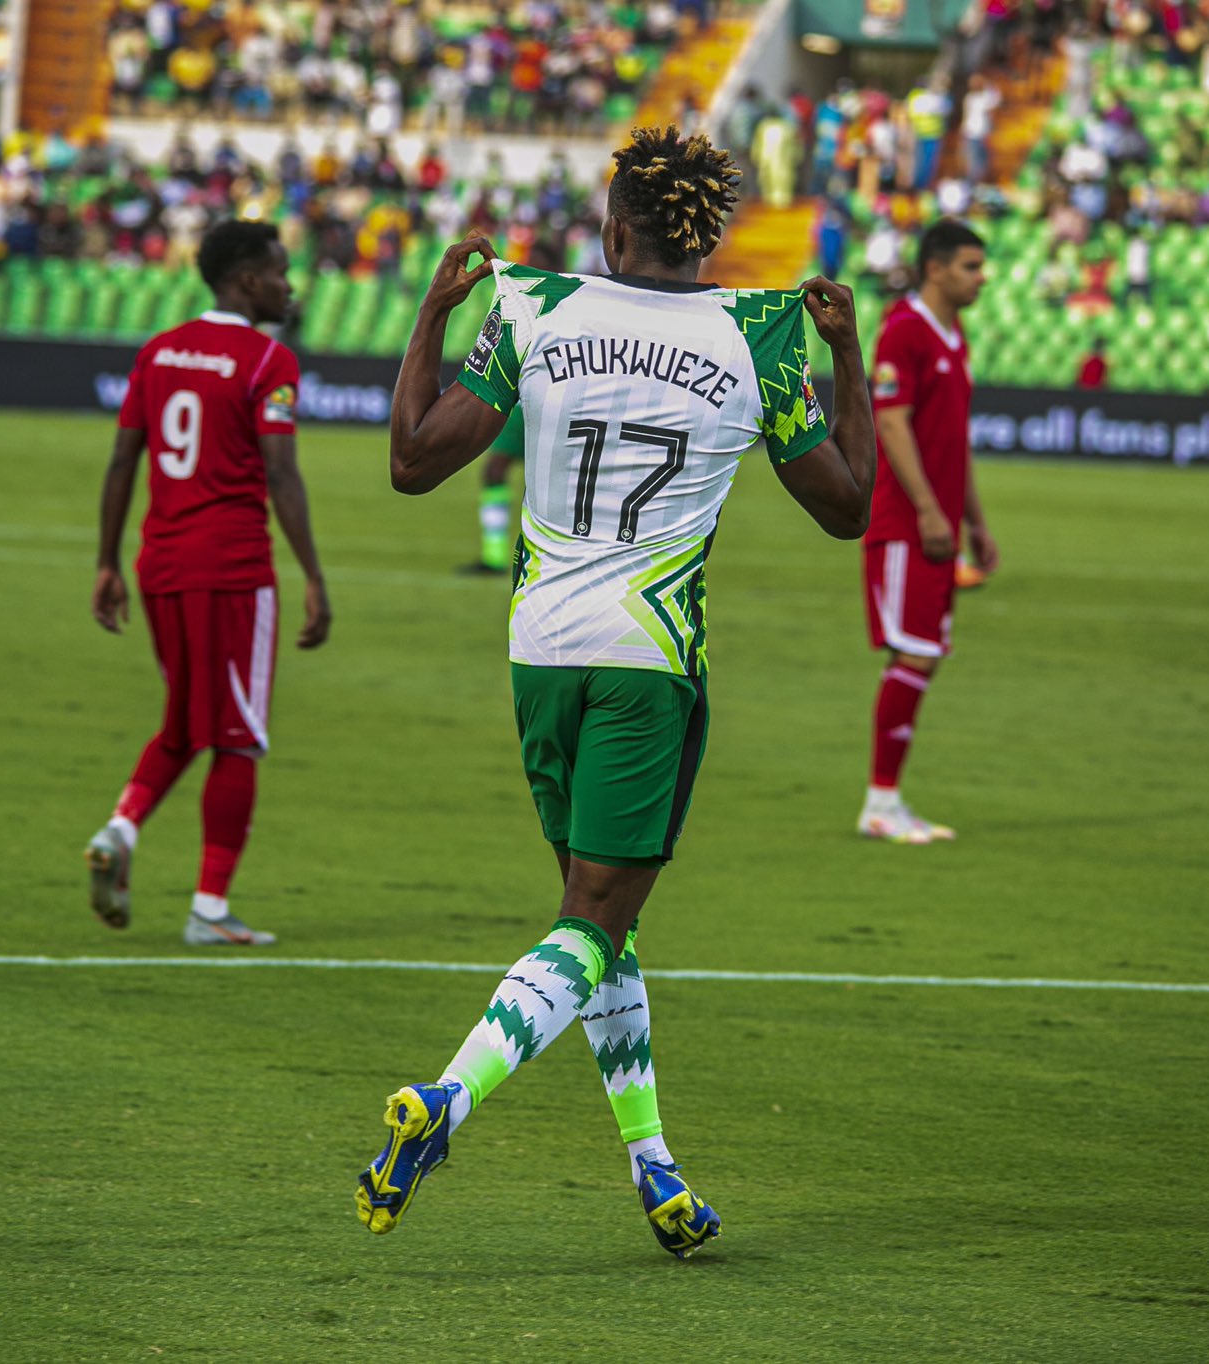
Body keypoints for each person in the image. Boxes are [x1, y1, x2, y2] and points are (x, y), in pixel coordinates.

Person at [359, 126, 876, 1255]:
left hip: (540, 651)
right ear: (709, 239)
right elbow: (847, 508)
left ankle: (654, 1168)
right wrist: (849, 359)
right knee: (593, 917)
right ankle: (444, 1098)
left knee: (595, 918)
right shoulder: (756, 337)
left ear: (610, 228)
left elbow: (409, 459)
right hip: (646, 660)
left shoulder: (532, 311)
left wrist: (429, 317)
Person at [83, 219, 332, 945]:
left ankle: (121, 827)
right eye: (282, 273)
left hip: (158, 564)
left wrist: (105, 561)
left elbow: (123, 461)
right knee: (239, 736)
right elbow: (281, 472)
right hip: (231, 569)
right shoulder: (266, 362)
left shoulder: (158, 353)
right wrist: (314, 575)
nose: (290, 286)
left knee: (188, 721)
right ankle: (210, 910)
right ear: (248, 279)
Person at [859, 219, 993, 845]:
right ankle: (881, 803)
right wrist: (931, 512)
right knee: (913, 652)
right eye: (970, 265)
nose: (980, 277)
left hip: (937, 525)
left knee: (922, 655)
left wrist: (975, 521)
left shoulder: (954, 333)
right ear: (935, 268)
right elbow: (891, 423)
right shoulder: (904, 330)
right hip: (905, 523)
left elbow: (952, 439)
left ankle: (888, 800)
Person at [460, 408, 524, 574]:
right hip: (528, 403)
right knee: (494, 471)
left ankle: (495, 556)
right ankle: (494, 556)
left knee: (495, 471)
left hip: (540, 401)